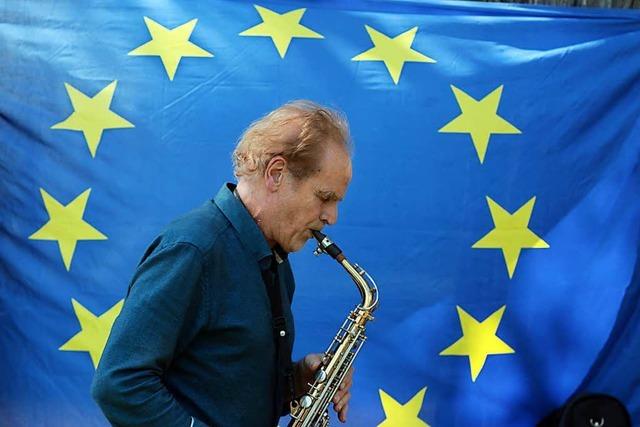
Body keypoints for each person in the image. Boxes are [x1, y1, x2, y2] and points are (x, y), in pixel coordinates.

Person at [91, 100, 354, 427]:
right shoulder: (194, 250)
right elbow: (119, 383)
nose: (331, 217)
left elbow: (226, 388)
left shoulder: (276, 262)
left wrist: (298, 382)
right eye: (324, 197)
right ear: (276, 174)